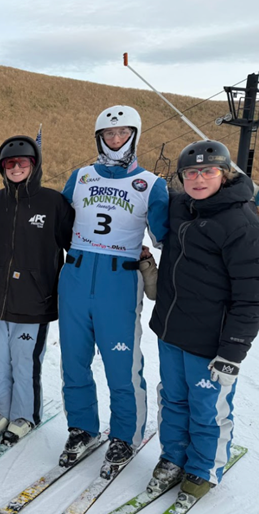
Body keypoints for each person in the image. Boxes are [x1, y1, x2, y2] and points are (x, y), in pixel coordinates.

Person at [148, 140, 259, 500]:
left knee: (207, 408)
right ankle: (173, 456)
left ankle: (203, 467)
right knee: (172, 399)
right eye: (190, 173)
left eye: (208, 171)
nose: (199, 179)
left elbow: (254, 297)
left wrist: (232, 353)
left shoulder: (245, 226)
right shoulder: (181, 208)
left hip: (211, 341)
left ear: (225, 173)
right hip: (171, 330)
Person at [58, 105, 169, 473]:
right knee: (73, 361)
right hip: (75, 274)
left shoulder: (151, 184)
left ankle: (125, 434)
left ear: (134, 135)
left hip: (118, 279)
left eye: (123, 133)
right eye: (109, 134)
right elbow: (58, 224)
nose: (116, 140)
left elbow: (166, 235)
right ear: (99, 137)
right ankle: (82, 428)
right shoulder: (81, 176)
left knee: (121, 364)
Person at [0, 136, 74, 442]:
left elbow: (75, 245)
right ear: (2, 168)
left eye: (22, 162)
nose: (15, 168)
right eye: (9, 163)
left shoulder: (53, 203)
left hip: (33, 303)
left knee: (25, 364)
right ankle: (1, 411)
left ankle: (25, 415)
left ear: (34, 165)